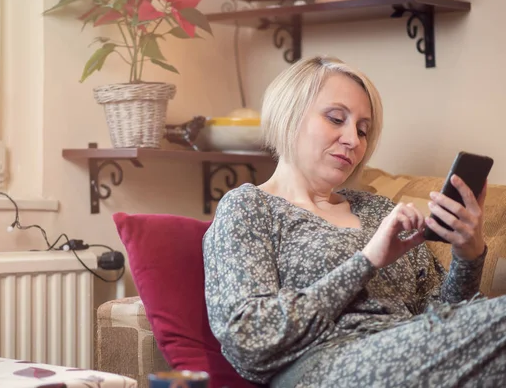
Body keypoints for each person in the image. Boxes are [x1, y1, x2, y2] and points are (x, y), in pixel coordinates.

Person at [202, 56, 505, 387]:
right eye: (335, 119)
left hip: (411, 350)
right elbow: (248, 339)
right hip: (321, 365)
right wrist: (367, 261)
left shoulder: (380, 210)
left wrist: (468, 255)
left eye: (363, 130)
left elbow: (448, 320)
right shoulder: (249, 207)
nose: (353, 140)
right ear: (289, 113)